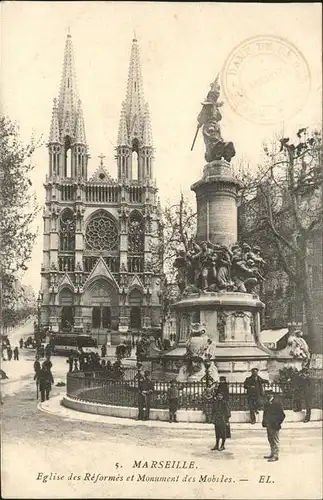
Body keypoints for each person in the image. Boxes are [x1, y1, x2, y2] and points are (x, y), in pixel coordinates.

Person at [262, 389, 285, 462]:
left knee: (275, 440)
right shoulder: (267, 403)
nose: (267, 396)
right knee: (270, 439)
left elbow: (282, 415)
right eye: (266, 395)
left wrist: (278, 423)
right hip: (269, 424)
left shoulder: (277, 403)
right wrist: (264, 422)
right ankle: (272, 453)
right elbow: (265, 414)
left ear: (271, 395)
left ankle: (276, 455)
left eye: (268, 395)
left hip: (275, 425)